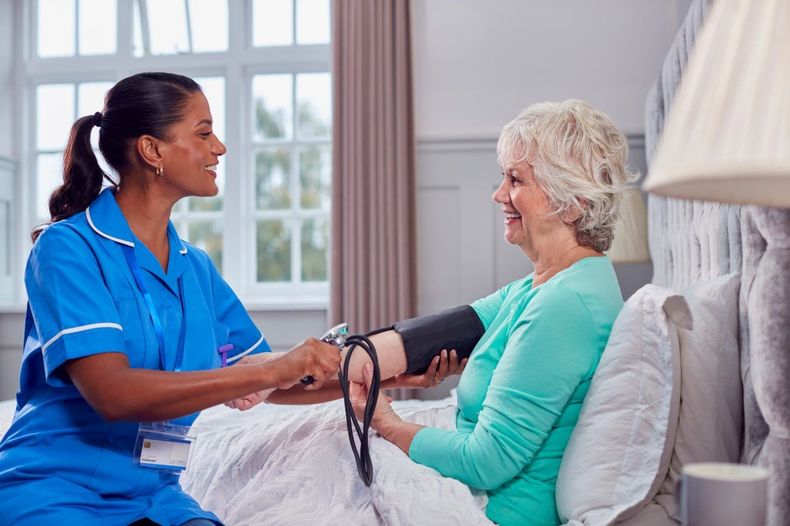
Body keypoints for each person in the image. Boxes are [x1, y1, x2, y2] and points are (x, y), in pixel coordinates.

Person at [0, 72, 343, 526]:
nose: (219, 147)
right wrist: (274, 369)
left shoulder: (194, 267)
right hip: (54, 487)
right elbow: (113, 394)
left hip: (154, 495)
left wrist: (383, 374)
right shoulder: (66, 249)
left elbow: (266, 381)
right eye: (203, 133)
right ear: (152, 149)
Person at [343, 99, 633, 526]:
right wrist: (343, 362)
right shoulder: (542, 285)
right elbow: (429, 336)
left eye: (515, 180)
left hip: (496, 512)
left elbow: (488, 461)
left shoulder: (563, 305)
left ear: (573, 203)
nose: (499, 194)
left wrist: (387, 422)